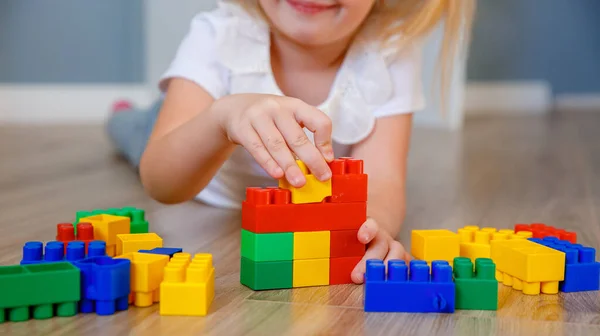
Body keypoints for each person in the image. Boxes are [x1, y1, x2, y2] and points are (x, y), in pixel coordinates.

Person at [106, 0, 475, 283]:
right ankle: (122, 114)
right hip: (194, 153)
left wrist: (370, 226)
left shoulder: (389, 54)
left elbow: (383, 181)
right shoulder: (219, 36)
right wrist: (221, 118)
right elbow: (162, 182)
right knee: (135, 132)